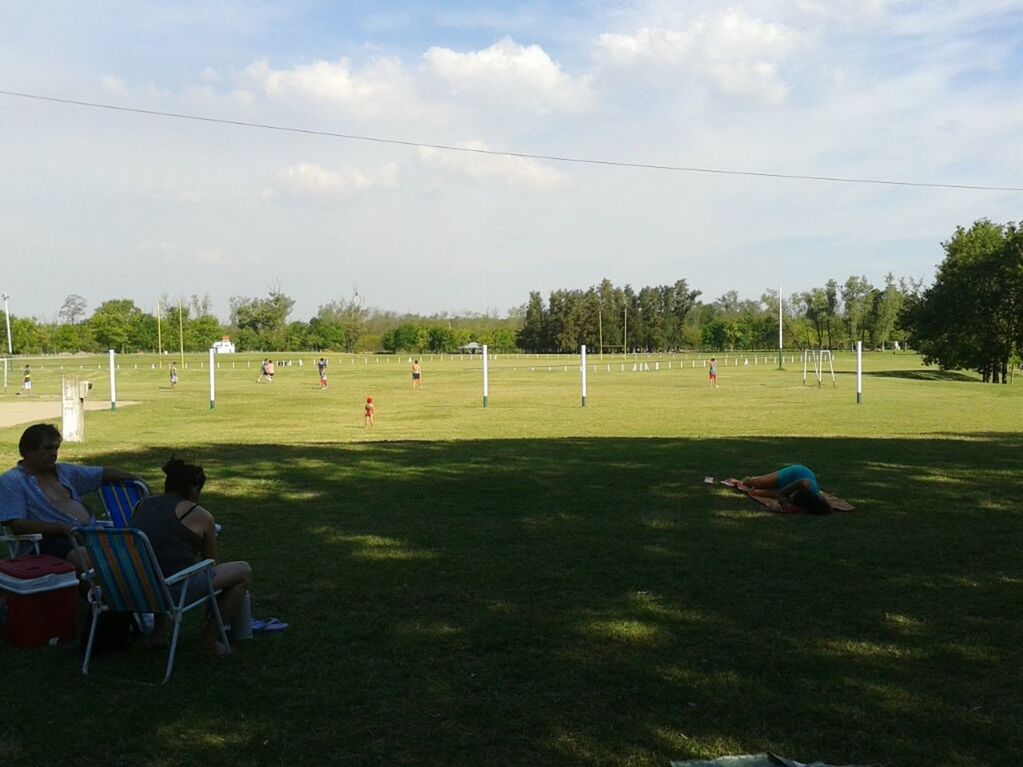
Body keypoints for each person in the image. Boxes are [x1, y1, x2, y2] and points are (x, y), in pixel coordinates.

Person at [130, 457, 251, 657]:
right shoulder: (200, 515)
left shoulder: (142, 505)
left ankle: (160, 633)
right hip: (170, 591)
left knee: (158, 561)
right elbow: (211, 565)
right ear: (194, 489)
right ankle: (209, 642)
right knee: (242, 571)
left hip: (131, 589)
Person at [0, 424, 139, 562]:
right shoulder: (13, 481)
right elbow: (18, 525)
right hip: (46, 543)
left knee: (139, 547)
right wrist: (61, 529)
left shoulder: (64, 471)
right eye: (48, 448)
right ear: (29, 451)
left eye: (56, 448)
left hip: (91, 535)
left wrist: (136, 479)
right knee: (90, 557)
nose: (54, 453)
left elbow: (102, 473)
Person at [740, 464, 831, 514]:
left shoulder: (813, 502)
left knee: (757, 492)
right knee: (757, 483)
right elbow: (780, 494)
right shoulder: (805, 484)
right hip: (794, 474)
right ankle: (748, 479)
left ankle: (759, 490)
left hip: (794, 487)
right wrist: (784, 502)